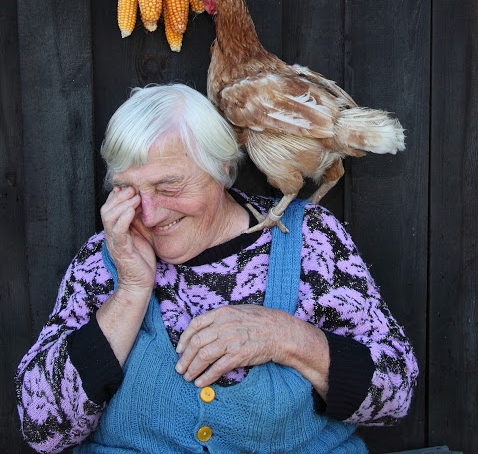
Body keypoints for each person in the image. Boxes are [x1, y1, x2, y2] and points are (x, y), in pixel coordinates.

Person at [16, 83, 418, 454]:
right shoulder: (104, 259)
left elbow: (395, 394)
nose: (151, 214)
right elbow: (41, 427)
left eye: (168, 186)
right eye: (130, 191)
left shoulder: (308, 241)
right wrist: (131, 290)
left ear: (223, 169)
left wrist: (287, 337)